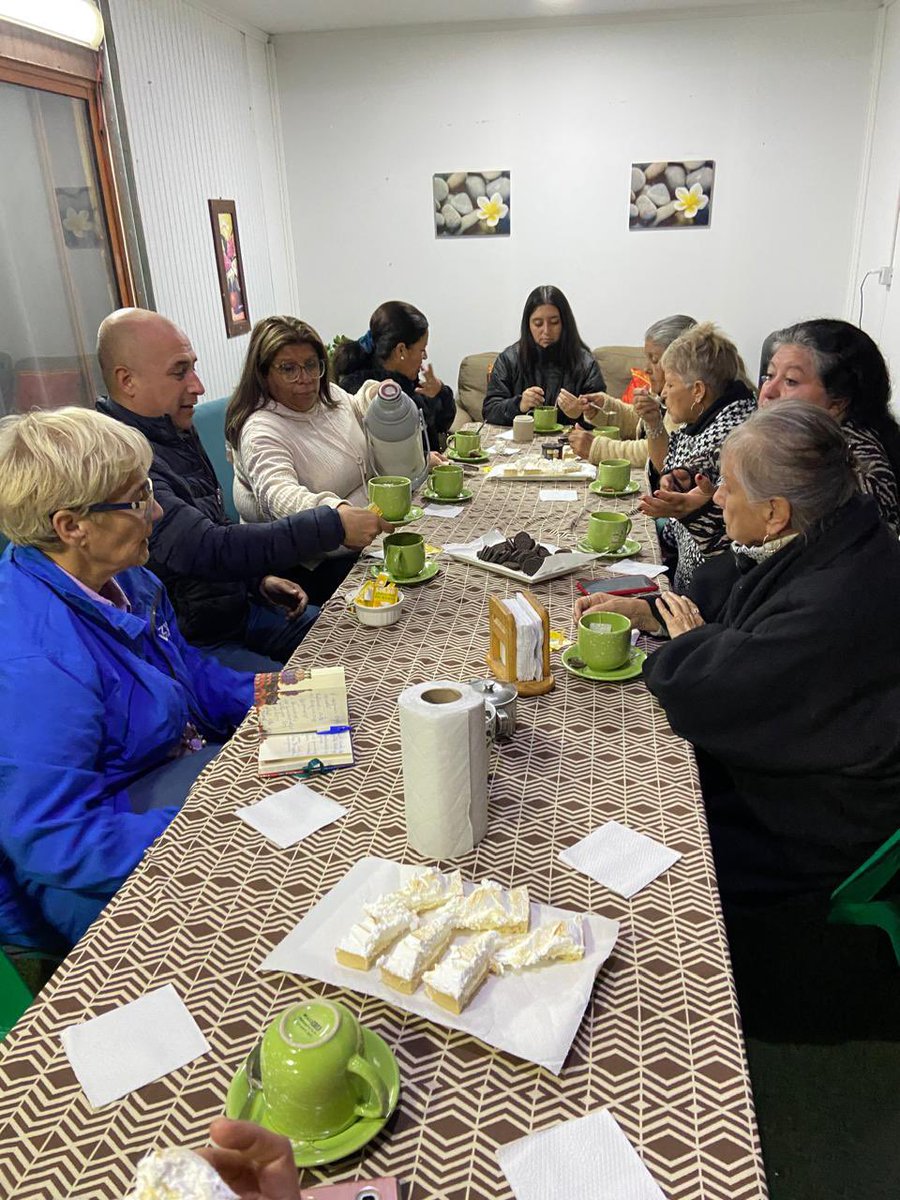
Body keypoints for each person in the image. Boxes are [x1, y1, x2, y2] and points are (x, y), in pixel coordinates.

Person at [0, 409, 257, 950]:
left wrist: (271, 695)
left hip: (160, 785)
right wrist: (209, 832)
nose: (158, 510)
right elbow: (58, 842)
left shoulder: (124, 574)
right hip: (93, 865)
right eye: (138, 499)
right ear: (72, 526)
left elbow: (185, 676)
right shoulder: (38, 663)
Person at [97, 309, 390, 671]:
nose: (198, 385)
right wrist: (334, 523)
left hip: (240, 607)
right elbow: (204, 546)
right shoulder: (121, 459)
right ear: (127, 381)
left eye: (194, 367)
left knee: (372, 646)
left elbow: (214, 521)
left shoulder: (171, 426)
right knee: (322, 697)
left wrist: (256, 581)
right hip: (197, 642)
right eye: (180, 371)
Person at [635, 321, 756, 590]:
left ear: (698, 390)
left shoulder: (730, 433)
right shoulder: (708, 416)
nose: (663, 393)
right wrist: (654, 421)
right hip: (688, 562)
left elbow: (682, 474)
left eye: (670, 384)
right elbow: (669, 466)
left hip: (711, 589)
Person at [759, 317, 900, 532]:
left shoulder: (858, 476)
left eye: (790, 381)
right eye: (769, 376)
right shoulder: (782, 441)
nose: (768, 391)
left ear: (837, 403)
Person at [567, 314, 697, 467]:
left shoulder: (686, 401)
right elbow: (640, 424)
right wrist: (603, 409)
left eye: (654, 360)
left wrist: (597, 448)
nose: (646, 369)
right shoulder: (663, 393)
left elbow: (659, 451)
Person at [333, 300, 455, 452]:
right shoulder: (368, 391)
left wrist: (440, 392)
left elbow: (442, 425)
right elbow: (386, 455)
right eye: (421, 350)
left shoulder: (410, 383)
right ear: (401, 350)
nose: (425, 356)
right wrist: (425, 460)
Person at [481, 284, 605, 427]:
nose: (546, 331)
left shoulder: (585, 363)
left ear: (565, 323)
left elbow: (604, 417)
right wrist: (520, 404)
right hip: (520, 442)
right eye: (538, 323)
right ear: (528, 325)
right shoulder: (509, 359)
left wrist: (580, 413)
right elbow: (489, 411)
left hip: (569, 445)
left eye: (554, 322)